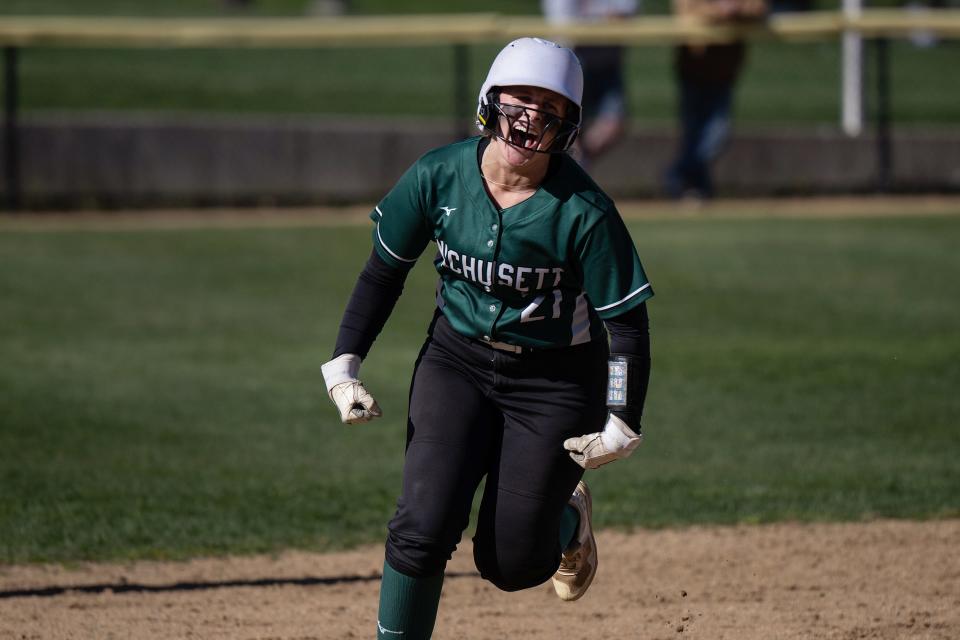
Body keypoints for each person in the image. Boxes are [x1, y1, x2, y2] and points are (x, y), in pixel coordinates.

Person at [320, 37, 654, 640]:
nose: (532, 117)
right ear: (490, 102)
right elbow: (384, 270)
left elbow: (625, 324)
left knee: (510, 563)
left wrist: (621, 418)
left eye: (550, 107)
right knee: (421, 526)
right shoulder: (438, 175)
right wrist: (345, 362)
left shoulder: (584, 211)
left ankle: (564, 519)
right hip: (457, 362)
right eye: (521, 99)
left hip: (554, 380)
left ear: (569, 126)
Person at [665, 0, 767, 200]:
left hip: (725, 70)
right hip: (693, 66)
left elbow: (760, 8)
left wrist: (737, 9)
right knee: (693, 132)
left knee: (718, 134)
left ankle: (682, 177)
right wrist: (719, 10)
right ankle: (694, 186)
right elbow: (684, 12)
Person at [542, 0, 641, 168]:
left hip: (609, 60)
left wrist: (597, 23)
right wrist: (606, 22)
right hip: (570, 59)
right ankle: (566, 169)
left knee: (613, 124)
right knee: (563, 124)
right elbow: (565, 24)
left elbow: (626, 14)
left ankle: (575, 166)